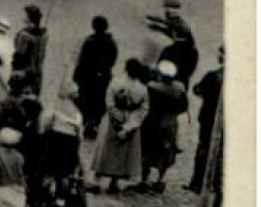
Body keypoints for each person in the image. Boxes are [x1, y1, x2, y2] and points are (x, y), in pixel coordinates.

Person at [92, 59, 149, 194]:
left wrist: (118, 121)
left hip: (113, 120)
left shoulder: (116, 83)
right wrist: (129, 125)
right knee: (122, 153)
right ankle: (114, 182)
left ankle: (97, 177)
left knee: (106, 148)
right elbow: (143, 109)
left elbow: (109, 103)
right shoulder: (142, 89)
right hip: (130, 119)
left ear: (126, 69)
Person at [139, 60, 188, 194]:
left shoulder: (152, 87)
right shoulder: (179, 88)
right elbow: (184, 107)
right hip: (170, 122)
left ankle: (144, 180)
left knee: (147, 149)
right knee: (166, 151)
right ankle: (160, 180)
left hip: (153, 121)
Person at [73, 16, 118, 139]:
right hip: (103, 76)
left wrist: (76, 77)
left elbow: (82, 61)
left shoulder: (90, 42)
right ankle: (95, 123)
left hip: (88, 77)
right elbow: (112, 61)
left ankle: (88, 123)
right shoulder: (111, 43)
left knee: (87, 100)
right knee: (100, 100)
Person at [189, 46, 224, 193]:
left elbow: (197, 89)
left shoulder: (212, 76)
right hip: (226, 123)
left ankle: (198, 183)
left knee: (204, 149)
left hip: (208, 119)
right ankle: (216, 183)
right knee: (221, 151)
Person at [11, 5, 49, 97]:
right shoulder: (44, 34)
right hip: (38, 72)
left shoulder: (24, 35)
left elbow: (19, 56)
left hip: (25, 73)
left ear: (29, 18)